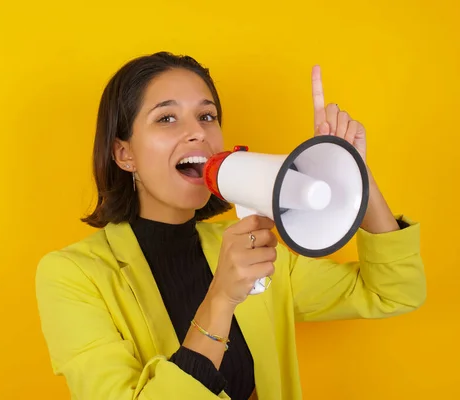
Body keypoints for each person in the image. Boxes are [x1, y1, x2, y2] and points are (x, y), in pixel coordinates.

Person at [35, 51, 426, 400]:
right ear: (124, 154)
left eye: (207, 116)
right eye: (167, 118)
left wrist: (355, 174)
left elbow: (393, 293)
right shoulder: (73, 276)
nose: (198, 133)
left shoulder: (254, 250)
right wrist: (221, 299)